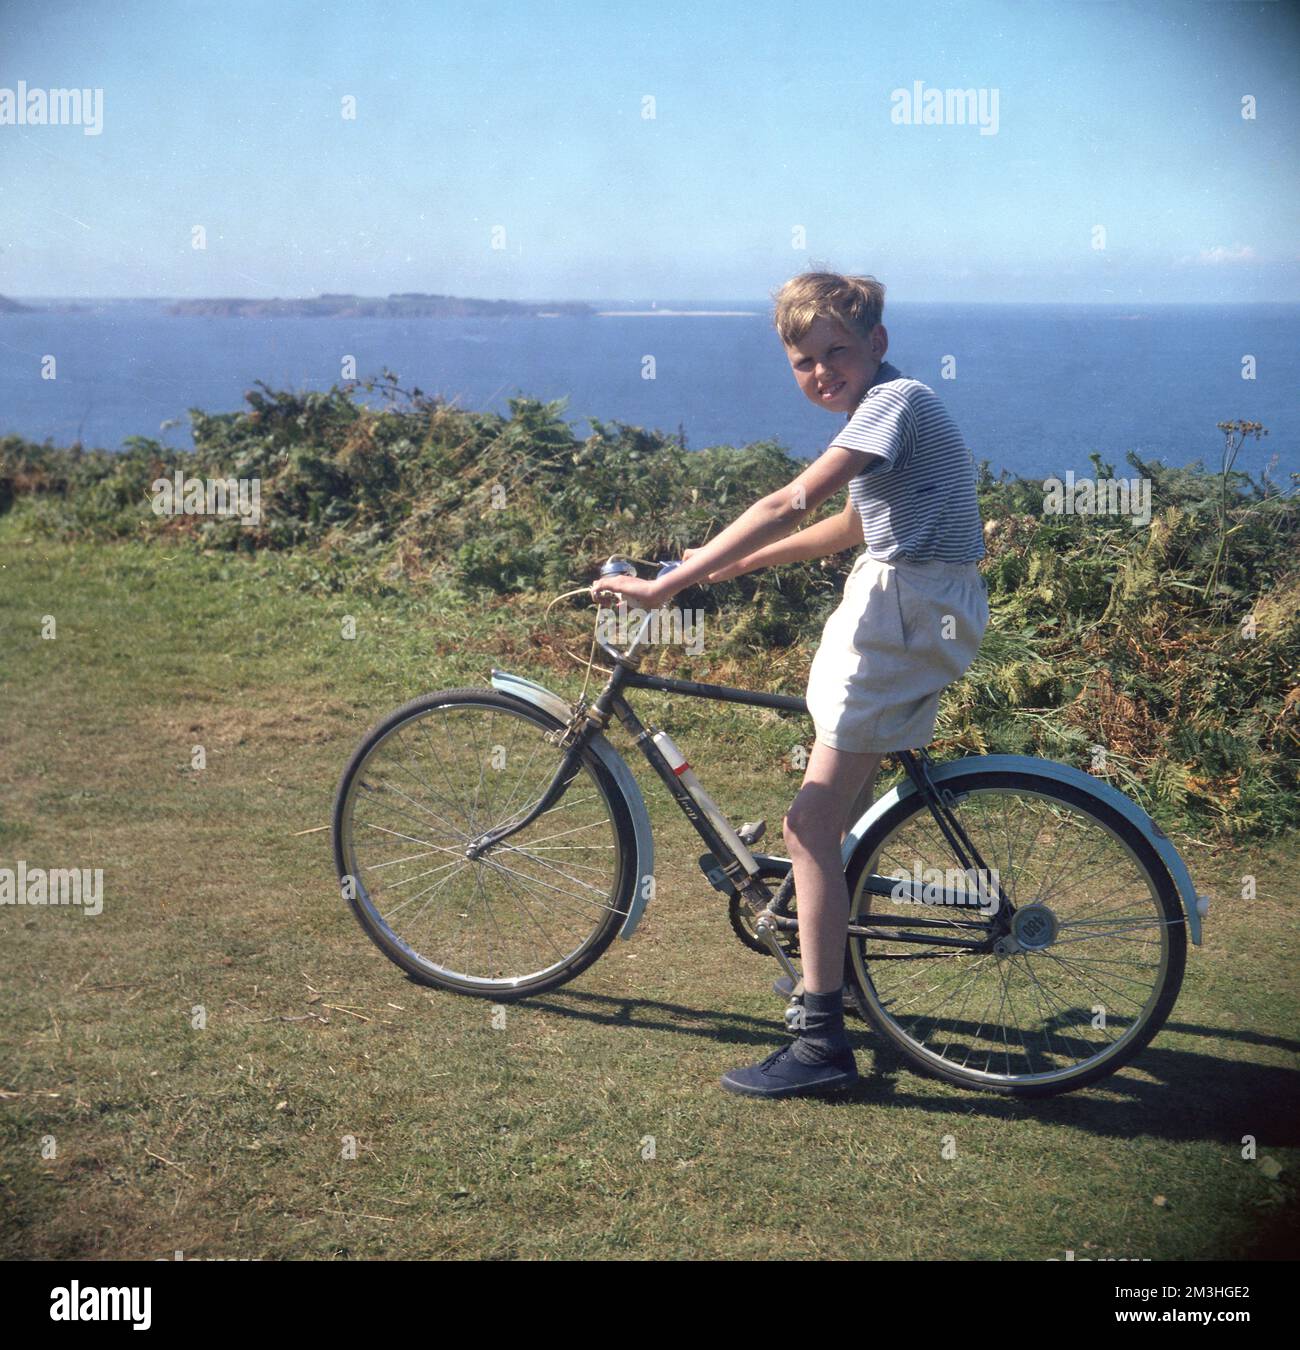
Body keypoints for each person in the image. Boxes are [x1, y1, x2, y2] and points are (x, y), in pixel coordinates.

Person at [590, 271, 988, 1099]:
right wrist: (721, 567)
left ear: (876, 344)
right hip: (913, 601)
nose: (821, 370)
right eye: (803, 360)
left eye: (837, 351)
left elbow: (793, 498)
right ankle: (823, 959)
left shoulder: (894, 402)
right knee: (827, 818)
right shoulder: (882, 413)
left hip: (902, 606)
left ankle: (820, 1040)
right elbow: (847, 525)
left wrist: (667, 587)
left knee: (808, 825)